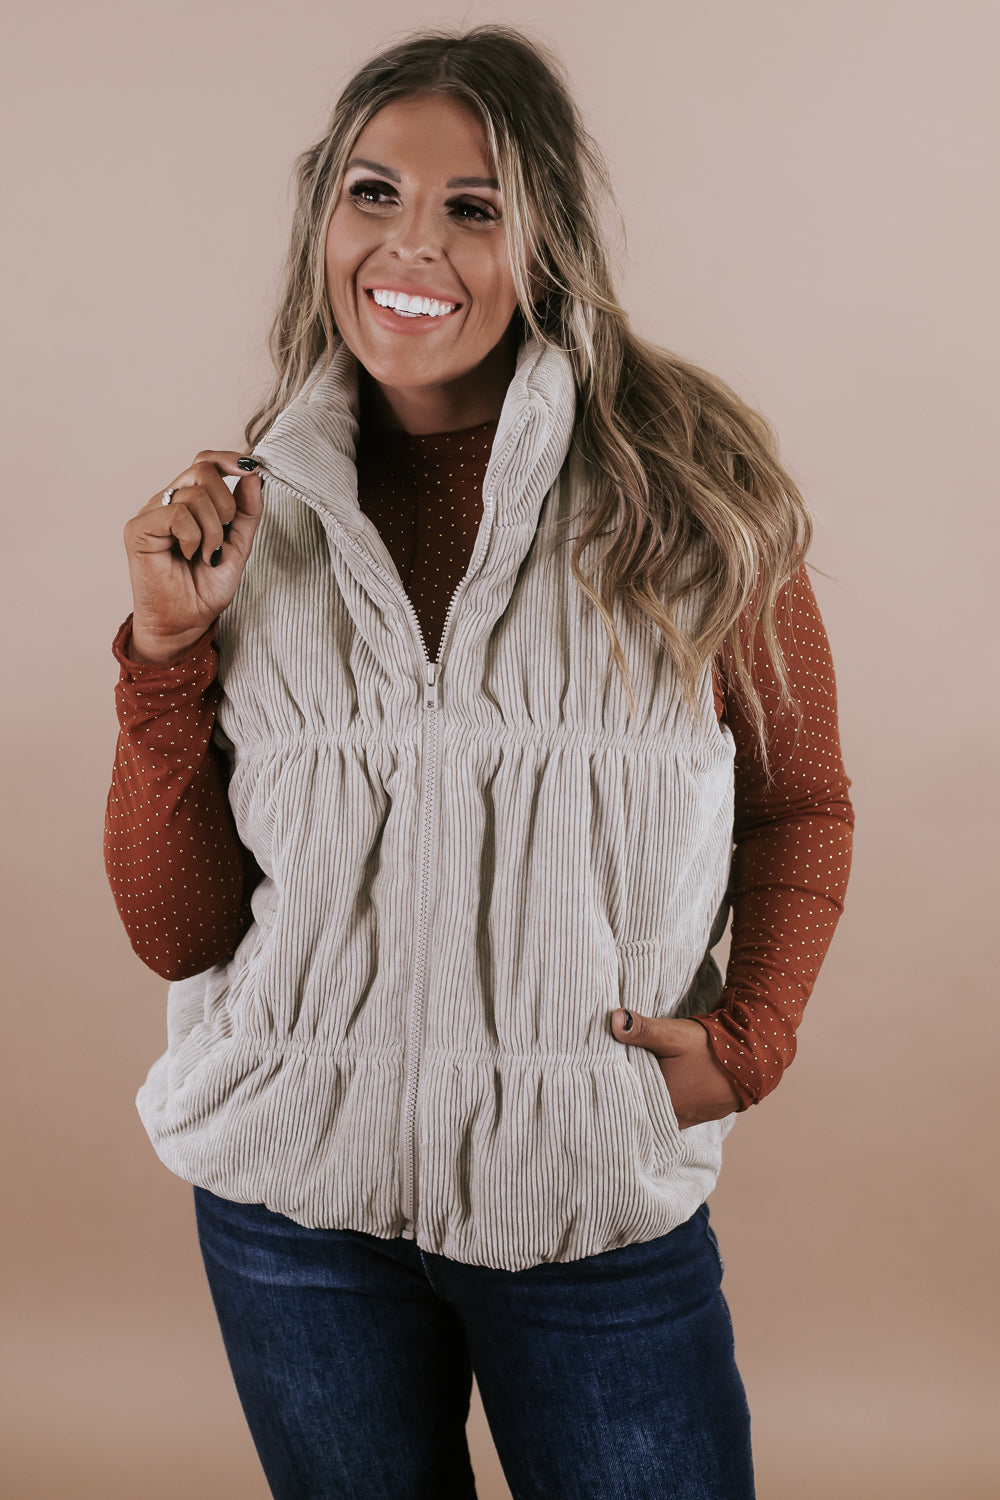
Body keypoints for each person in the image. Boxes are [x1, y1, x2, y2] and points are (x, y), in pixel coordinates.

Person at [105, 24, 853, 1500]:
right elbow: (179, 931)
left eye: (473, 206)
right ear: (324, 216)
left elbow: (801, 804)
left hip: (582, 1204)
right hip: (294, 1212)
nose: (413, 245)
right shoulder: (246, 523)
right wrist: (165, 653)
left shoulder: (690, 503)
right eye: (374, 192)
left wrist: (751, 1039)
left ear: (546, 238)